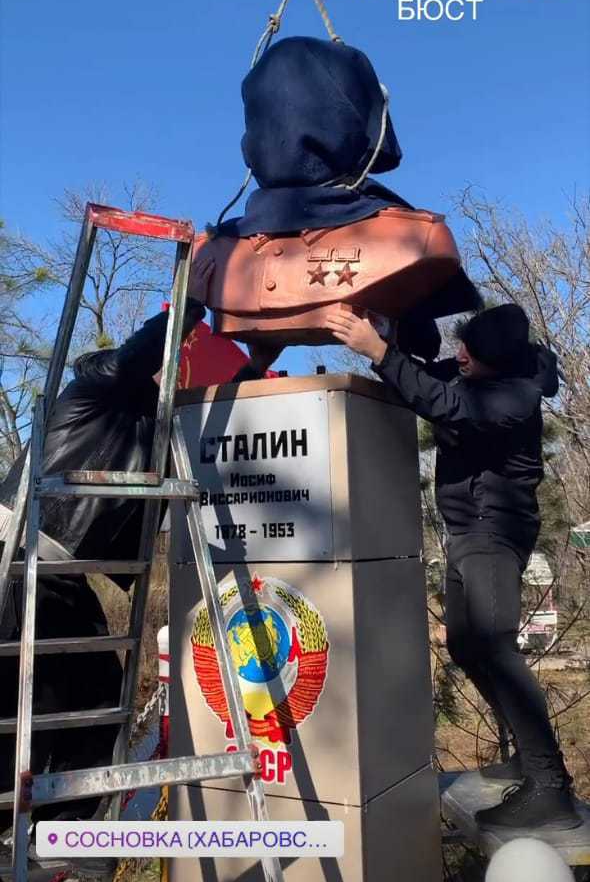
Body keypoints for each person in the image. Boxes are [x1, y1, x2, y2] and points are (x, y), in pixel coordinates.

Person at [0, 254, 278, 833]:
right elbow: (138, 355)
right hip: (16, 561)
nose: (170, 378)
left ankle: (61, 828)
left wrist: (255, 366)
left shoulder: (150, 425)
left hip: (55, 573)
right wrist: (194, 296)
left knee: (95, 700)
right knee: (27, 705)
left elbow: (212, 418)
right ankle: (34, 825)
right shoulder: (93, 392)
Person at [325, 301, 581, 833]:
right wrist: (392, 337)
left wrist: (379, 353)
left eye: (471, 352)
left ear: (498, 361)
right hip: (468, 532)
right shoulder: (485, 374)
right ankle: (527, 756)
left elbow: (445, 403)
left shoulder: (514, 397)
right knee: (466, 645)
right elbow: (427, 379)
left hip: (494, 531)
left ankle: (549, 784)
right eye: (462, 344)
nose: (459, 355)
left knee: (497, 648)